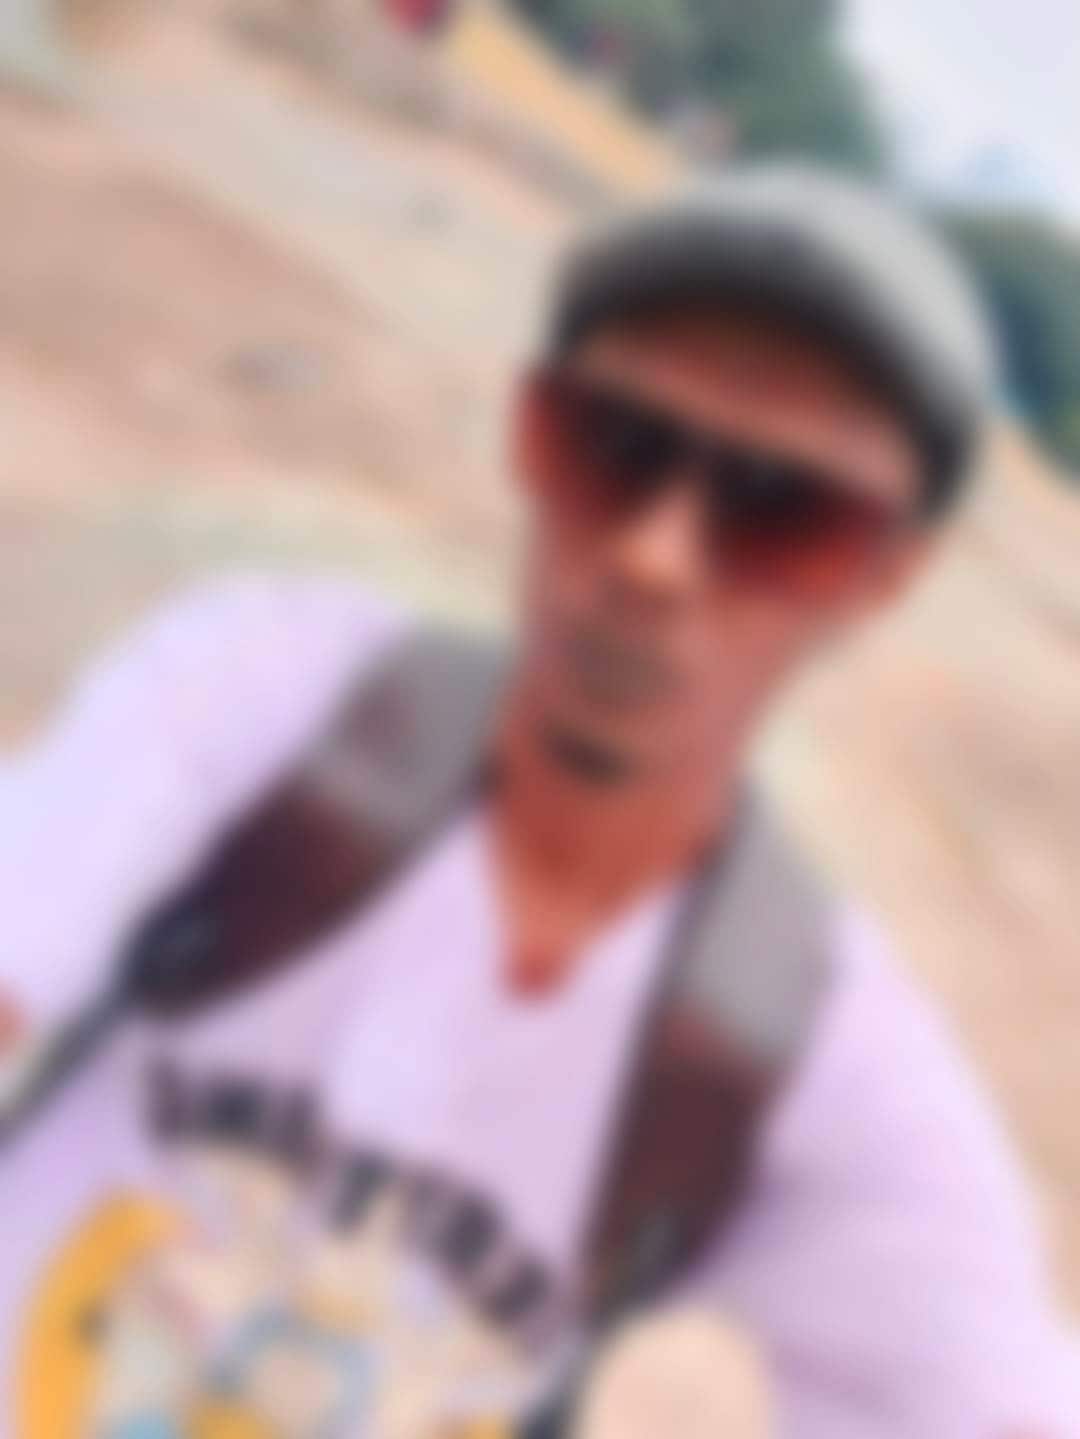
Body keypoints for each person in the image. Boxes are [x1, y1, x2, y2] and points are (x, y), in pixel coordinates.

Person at [0, 165, 1075, 1438]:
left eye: (781, 514)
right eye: (612, 446)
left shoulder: (806, 1047)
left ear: (885, 573)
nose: (653, 556)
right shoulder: (266, 691)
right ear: (527, 428)